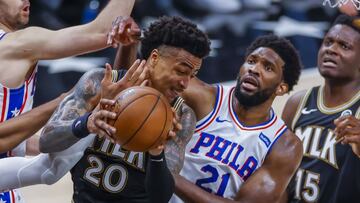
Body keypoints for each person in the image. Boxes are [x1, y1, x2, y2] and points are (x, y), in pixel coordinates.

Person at [0, 16, 211, 203]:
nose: (185, 83)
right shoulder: (100, 83)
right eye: (182, 71)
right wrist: (87, 123)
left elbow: (161, 197)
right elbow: (47, 142)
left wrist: (156, 154)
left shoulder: (181, 117)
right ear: (154, 58)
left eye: (192, 75)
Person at [0, 0, 136, 201]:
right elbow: (105, 32)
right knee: (49, 169)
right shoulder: (16, 44)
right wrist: (73, 99)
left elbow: (16, 140)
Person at [168, 34, 304, 202]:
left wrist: (167, 175)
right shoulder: (205, 98)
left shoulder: (284, 145)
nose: (254, 69)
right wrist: (128, 45)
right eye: (252, 61)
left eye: (268, 68)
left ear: (281, 88)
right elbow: (149, 74)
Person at [282, 14, 360, 203]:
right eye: (328, 42)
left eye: (344, 46)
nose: (331, 50)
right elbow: (277, 172)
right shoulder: (297, 102)